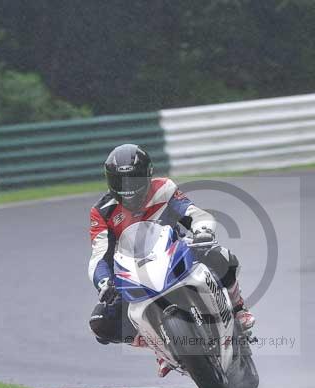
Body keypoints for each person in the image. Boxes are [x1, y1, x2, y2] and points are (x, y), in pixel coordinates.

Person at [88, 144, 255, 376]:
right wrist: (105, 283)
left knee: (221, 257)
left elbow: (192, 213)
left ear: (148, 175)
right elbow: (99, 254)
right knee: (101, 323)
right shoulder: (102, 211)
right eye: (120, 182)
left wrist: (203, 231)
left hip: (176, 251)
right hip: (133, 271)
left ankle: (238, 309)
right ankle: (161, 346)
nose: (127, 190)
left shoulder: (163, 189)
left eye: (133, 181)